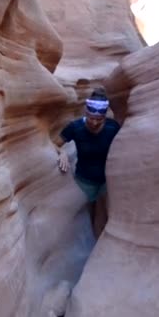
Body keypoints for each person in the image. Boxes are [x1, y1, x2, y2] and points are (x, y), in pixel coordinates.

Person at [54, 88, 123, 238]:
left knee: (104, 217)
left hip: (107, 181)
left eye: (99, 119)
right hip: (84, 181)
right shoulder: (75, 127)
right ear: (86, 113)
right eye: (91, 118)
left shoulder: (113, 128)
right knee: (86, 217)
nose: (94, 122)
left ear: (105, 117)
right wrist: (62, 152)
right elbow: (54, 143)